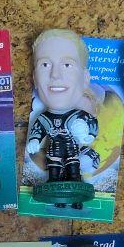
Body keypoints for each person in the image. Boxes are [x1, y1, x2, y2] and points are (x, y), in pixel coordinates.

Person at [27, 29, 99, 206]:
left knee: (74, 171)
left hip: (72, 150)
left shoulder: (80, 116)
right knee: (54, 171)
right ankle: (56, 193)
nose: (55, 75)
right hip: (54, 152)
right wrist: (34, 140)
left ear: (85, 78)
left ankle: (76, 192)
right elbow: (37, 130)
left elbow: (92, 125)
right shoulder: (44, 118)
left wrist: (87, 135)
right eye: (45, 64)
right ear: (35, 78)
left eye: (67, 65)